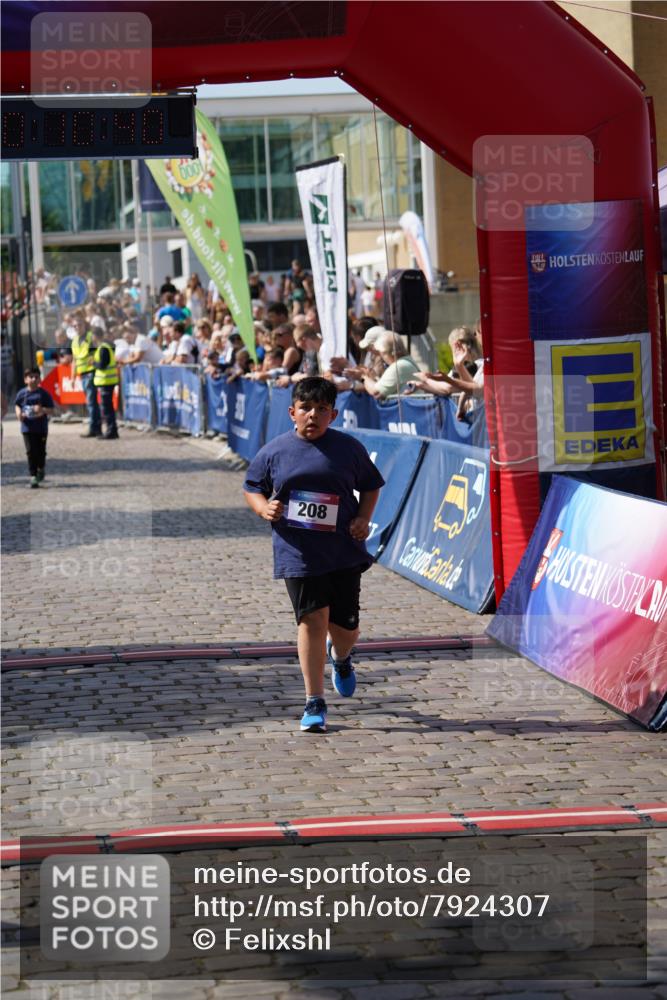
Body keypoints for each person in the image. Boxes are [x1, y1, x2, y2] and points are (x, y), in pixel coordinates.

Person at [243, 377, 384, 733]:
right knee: (312, 620)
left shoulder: (348, 448)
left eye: (322, 409)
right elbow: (252, 487)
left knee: (345, 629)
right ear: (292, 412)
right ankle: (314, 701)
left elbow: (370, 485)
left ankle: (342, 657)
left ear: (333, 415)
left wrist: (363, 518)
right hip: (298, 551)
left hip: (343, 550)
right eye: (306, 408)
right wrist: (263, 509)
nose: (313, 415)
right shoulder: (274, 451)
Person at [14, 366, 55, 487]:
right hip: (27, 428)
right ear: (25, 380)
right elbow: (17, 405)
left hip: (41, 428)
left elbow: (52, 410)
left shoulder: (43, 394)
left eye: (36, 377)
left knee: (41, 452)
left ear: (39, 379)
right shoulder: (21, 394)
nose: (33, 379)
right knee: (30, 452)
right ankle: (33, 475)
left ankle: (41, 468)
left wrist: (42, 409)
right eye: (30, 377)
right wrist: (18, 414)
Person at [71, 312, 102, 438]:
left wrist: (94, 361)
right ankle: (95, 427)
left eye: (79, 324)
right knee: (91, 402)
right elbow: (74, 360)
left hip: (91, 372)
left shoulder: (90, 336)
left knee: (91, 402)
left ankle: (94, 428)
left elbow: (100, 349)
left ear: (84, 325)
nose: (78, 327)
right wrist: (73, 377)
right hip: (82, 374)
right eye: (75, 326)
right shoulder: (74, 341)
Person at [361, 331, 419, 399]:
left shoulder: (398, 366)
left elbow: (376, 393)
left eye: (381, 353)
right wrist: (374, 378)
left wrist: (363, 377)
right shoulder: (404, 362)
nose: (381, 356)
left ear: (389, 353)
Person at [91, 327, 119, 439]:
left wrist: (94, 363)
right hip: (106, 381)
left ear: (96, 336)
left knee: (107, 408)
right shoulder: (105, 347)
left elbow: (102, 365)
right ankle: (112, 430)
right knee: (107, 407)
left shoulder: (103, 348)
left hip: (106, 381)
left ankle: (111, 431)